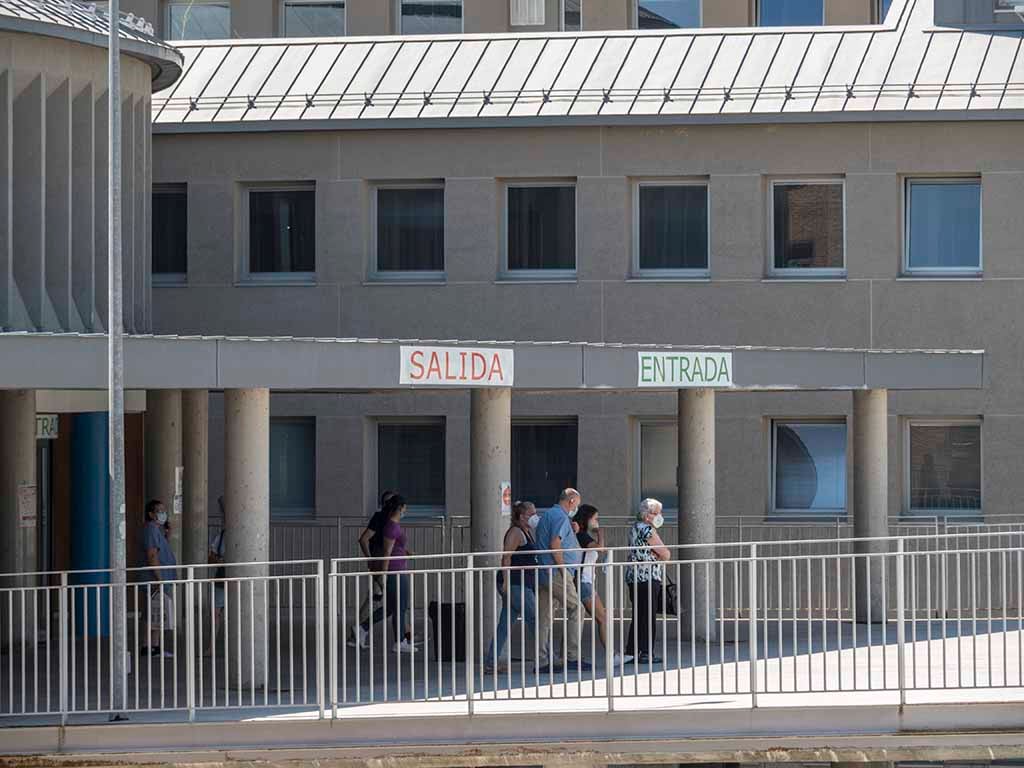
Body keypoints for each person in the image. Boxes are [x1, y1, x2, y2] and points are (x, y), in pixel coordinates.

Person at [534, 488, 588, 674]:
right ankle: (571, 656)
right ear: (571, 500)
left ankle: (542, 660)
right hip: (555, 572)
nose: (577, 508)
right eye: (577, 504)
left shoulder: (551, 514)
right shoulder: (560, 516)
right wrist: (564, 569)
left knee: (544, 616)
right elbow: (555, 544)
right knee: (576, 608)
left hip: (544, 571)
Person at [483, 501, 539, 675]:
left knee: (504, 625)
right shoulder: (516, 532)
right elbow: (506, 557)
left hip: (522, 583)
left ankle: (491, 663)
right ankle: (547, 658)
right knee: (537, 621)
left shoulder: (528, 532)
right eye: (532, 514)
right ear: (522, 516)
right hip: (516, 583)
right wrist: (506, 583)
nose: (535, 517)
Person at [573, 504, 631, 667]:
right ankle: (611, 656)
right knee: (603, 618)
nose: (597, 521)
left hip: (586, 580)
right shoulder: (582, 536)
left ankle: (569, 654)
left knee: (577, 618)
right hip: (583, 582)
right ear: (587, 519)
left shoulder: (582, 535)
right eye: (595, 519)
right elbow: (600, 548)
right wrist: (600, 534)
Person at [357, 494, 417, 653]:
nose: (406, 511)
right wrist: (383, 574)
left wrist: (404, 552)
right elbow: (387, 552)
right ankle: (400, 641)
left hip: (397, 568)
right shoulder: (391, 526)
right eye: (405, 508)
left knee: (392, 607)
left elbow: (394, 548)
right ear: (399, 508)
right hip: (395, 570)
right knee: (400, 606)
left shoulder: (393, 525)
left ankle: (363, 628)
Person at [624, 498, 671, 665]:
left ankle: (632, 651)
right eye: (655, 513)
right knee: (648, 615)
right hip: (647, 577)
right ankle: (645, 652)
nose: (659, 516)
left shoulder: (635, 528)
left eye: (659, 513)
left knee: (639, 615)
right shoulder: (647, 530)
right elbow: (665, 554)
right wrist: (660, 554)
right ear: (646, 515)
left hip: (635, 577)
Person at [349, 490, 396, 648]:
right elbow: (363, 539)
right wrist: (370, 559)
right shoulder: (380, 517)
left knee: (379, 599)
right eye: (392, 502)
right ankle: (358, 632)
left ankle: (357, 633)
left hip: (385, 564)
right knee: (391, 600)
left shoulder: (390, 519)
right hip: (380, 564)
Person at [141, 499, 177, 658]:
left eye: (164, 511)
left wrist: (168, 535)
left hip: (161, 578)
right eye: (159, 511)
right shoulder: (150, 530)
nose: (163, 514)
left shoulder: (157, 531)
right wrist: (159, 578)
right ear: (151, 514)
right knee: (153, 612)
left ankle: (154, 647)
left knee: (156, 613)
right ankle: (148, 646)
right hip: (156, 579)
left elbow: (160, 551)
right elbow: (152, 555)